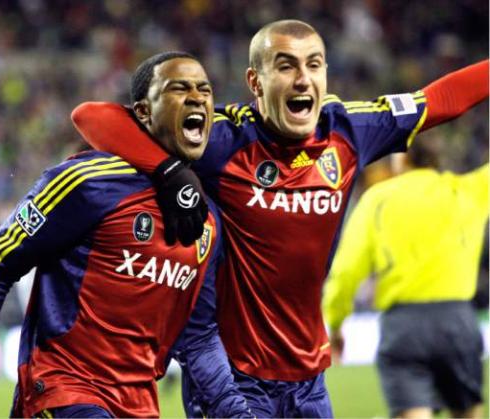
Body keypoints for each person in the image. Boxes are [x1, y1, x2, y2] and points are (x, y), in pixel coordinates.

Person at [70, 20, 489, 418]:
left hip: (309, 380)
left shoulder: (348, 128)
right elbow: (92, 116)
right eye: (285, 65)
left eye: (314, 64)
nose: (302, 79)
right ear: (256, 82)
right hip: (232, 378)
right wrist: (170, 171)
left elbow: (442, 100)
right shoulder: (221, 138)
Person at [0, 51, 251, 418]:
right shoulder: (87, 181)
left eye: (205, 89)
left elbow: (197, 338)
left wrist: (235, 411)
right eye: (178, 88)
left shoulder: (205, 220)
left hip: (140, 406)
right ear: (144, 112)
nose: (197, 97)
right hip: (63, 391)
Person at [322, 140, 488, 419]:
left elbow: (346, 270)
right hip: (458, 321)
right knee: (468, 412)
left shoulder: (378, 199)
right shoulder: (466, 190)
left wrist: (336, 322)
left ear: (401, 161)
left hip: (404, 326)